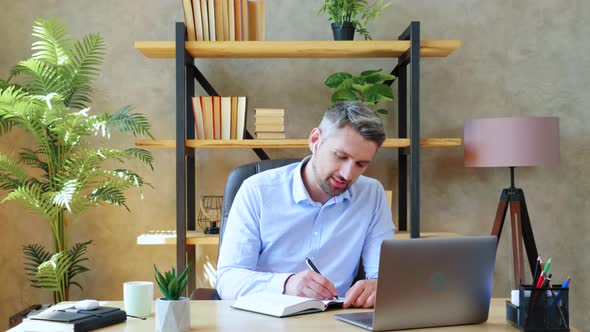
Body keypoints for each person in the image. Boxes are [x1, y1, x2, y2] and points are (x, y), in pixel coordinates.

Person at [216, 101, 395, 308]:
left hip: (335, 320)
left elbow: (383, 276)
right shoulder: (257, 190)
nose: (348, 174)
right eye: (341, 156)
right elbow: (228, 280)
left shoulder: (372, 194)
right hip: (262, 318)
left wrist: (377, 285)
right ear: (315, 140)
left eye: (360, 164)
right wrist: (286, 284)